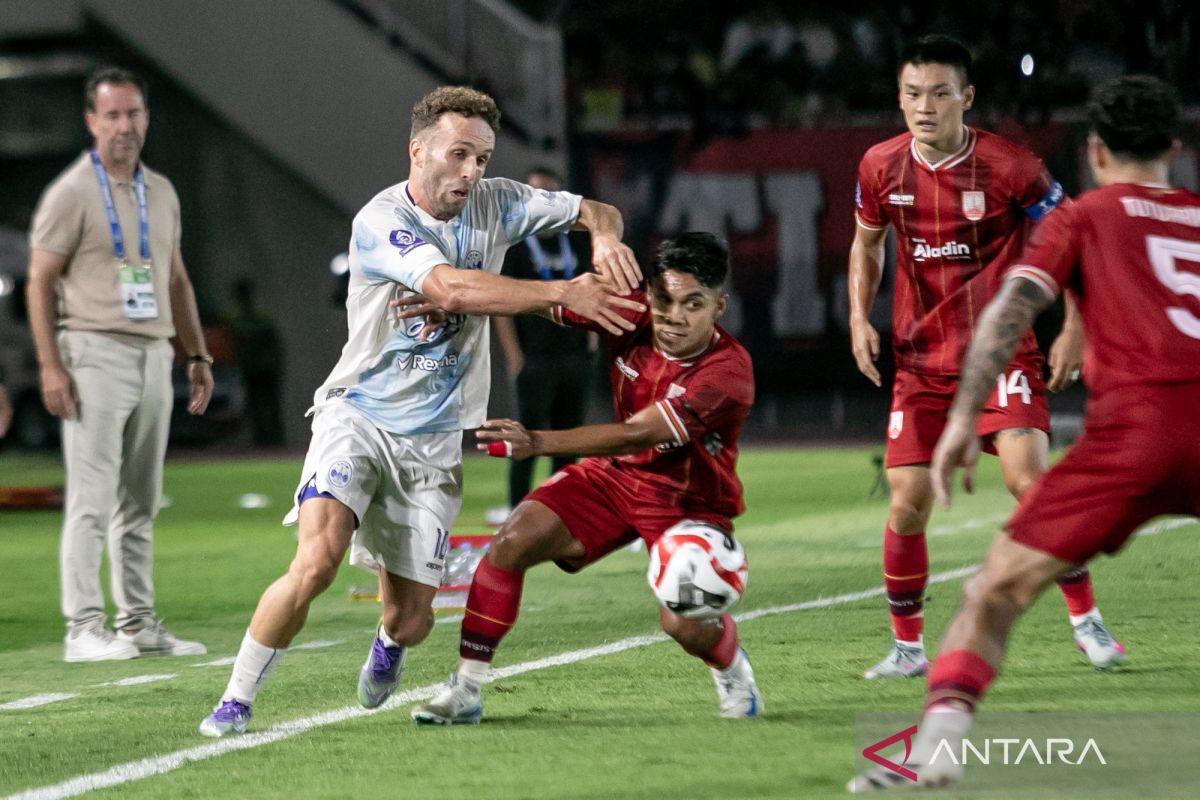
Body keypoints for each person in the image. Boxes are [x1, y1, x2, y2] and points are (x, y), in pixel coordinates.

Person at [199, 85, 644, 737]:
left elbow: (597, 210)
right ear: (419, 151)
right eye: (459, 155)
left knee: (411, 619)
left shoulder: (502, 203)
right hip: (358, 420)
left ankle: (390, 640)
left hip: (432, 445)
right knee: (317, 560)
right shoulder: (381, 221)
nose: (472, 172)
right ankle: (235, 700)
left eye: (483, 159)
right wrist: (560, 292)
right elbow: (449, 287)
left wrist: (603, 238)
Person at [849, 74, 1198, 792]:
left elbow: (1007, 315)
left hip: (1132, 439)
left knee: (994, 594)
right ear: (1175, 147)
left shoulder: (1086, 214)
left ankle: (937, 749)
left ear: (1095, 151)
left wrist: (954, 428)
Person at [848, 35, 1121, 679]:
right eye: (913, 93)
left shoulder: (1012, 166)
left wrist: (1074, 329)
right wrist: (859, 317)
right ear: (899, 98)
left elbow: (1076, 241)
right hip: (919, 363)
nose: (925, 106)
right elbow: (866, 246)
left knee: (1029, 483)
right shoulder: (879, 166)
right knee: (906, 501)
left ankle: (1086, 619)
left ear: (965, 98)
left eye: (940, 93)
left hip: (1003, 354)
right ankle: (908, 647)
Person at [410, 232, 763, 725]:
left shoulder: (727, 372)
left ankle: (730, 666)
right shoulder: (628, 310)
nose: (673, 316)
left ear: (719, 306)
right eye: (664, 299)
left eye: (693, 304)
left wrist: (538, 442)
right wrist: (454, 308)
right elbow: (537, 300)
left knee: (682, 622)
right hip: (613, 479)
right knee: (511, 541)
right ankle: (466, 687)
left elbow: (635, 435)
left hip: (687, 502)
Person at [26, 66, 214, 663]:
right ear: (91, 121)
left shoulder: (159, 190)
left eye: (134, 114)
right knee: (89, 497)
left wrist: (199, 353)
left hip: (154, 353)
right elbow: (39, 281)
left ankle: (136, 624)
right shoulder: (71, 192)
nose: (124, 126)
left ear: (147, 119)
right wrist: (51, 367)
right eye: (112, 115)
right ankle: (83, 627)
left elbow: (177, 279)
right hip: (94, 352)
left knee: (140, 500)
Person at [492, 167, 596, 517]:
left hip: (574, 355)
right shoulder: (515, 244)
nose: (544, 204)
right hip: (534, 357)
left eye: (551, 196)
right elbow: (500, 304)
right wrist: (515, 357)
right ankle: (517, 513)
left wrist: (592, 339)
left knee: (569, 440)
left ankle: (561, 513)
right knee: (526, 439)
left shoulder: (577, 239)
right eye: (537, 196)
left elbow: (594, 287)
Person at [225, 277, 285, 447]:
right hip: (250, 368)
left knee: (271, 407)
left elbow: (273, 341)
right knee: (256, 407)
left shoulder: (259, 316)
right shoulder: (235, 317)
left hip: (265, 368)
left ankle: (276, 442)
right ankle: (263, 443)